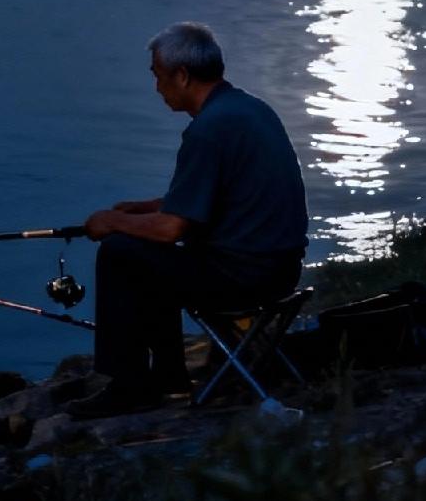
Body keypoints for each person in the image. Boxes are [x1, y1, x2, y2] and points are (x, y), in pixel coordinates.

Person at [69, 21, 308, 419]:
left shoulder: (208, 131)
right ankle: (167, 379)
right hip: (282, 269)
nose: (157, 87)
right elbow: (218, 196)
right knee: (151, 255)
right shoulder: (250, 109)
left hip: (245, 279)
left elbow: (172, 228)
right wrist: (143, 208)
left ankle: (127, 386)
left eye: (158, 77)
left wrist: (111, 221)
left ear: (182, 76)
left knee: (120, 252)